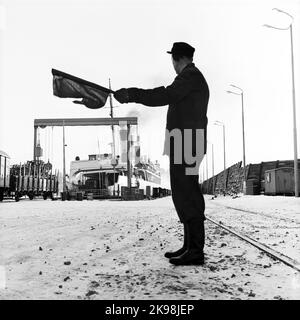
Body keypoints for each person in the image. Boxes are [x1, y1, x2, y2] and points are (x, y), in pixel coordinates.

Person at [114, 42, 209, 266]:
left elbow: (164, 95)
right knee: (183, 192)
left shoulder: (190, 76)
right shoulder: (191, 77)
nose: (172, 66)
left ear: (176, 59)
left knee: (188, 194)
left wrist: (131, 94)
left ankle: (195, 250)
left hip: (187, 140)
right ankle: (189, 246)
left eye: (172, 61)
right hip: (184, 139)